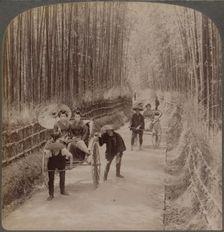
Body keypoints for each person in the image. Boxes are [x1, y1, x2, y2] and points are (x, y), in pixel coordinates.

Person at [43, 130, 73, 200]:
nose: (55, 151)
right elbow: (46, 158)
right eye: (54, 150)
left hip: (61, 162)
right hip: (51, 163)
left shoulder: (62, 149)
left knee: (62, 176)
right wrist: (45, 166)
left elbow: (70, 156)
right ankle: (51, 194)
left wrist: (71, 165)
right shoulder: (49, 149)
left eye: (56, 149)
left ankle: (62, 191)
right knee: (51, 179)